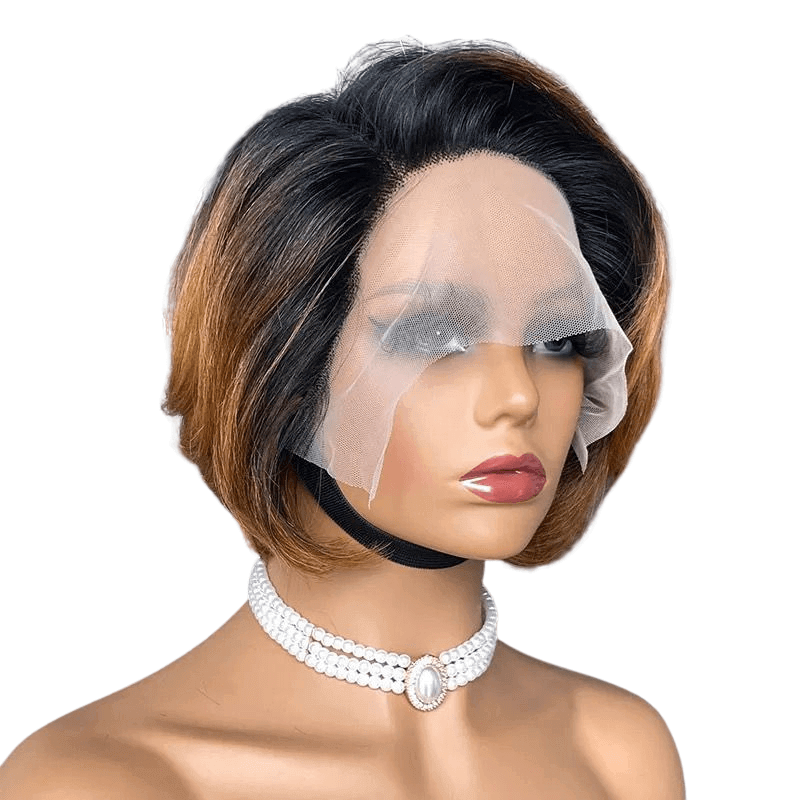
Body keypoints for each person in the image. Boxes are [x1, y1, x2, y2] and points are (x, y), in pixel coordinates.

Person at [0, 41, 685, 798]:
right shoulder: (106, 782)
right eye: (432, 334)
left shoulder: (617, 755)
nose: (519, 396)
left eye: (558, 340)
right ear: (285, 370)